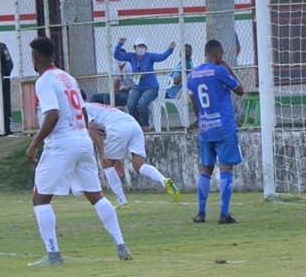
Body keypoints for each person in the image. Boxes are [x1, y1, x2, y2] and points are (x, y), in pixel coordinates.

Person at [25, 37, 131, 266]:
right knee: (96, 196)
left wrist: (34, 144)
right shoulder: (69, 78)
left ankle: (53, 255)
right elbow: (82, 114)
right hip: (82, 140)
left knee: (40, 198)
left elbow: (51, 115)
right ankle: (121, 244)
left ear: (35, 58)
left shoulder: (43, 81)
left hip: (61, 144)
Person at [187, 39, 244, 224]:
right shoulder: (220, 71)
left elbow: (194, 103)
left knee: (206, 169)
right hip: (224, 127)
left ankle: (201, 213)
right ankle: (224, 214)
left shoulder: (192, 75)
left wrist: (202, 118)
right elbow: (240, 90)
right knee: (226, 167)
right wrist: (229, 68)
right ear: (219, 55)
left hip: (205, 127)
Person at [84, 101, 181, 209]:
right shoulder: (96, 106)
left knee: (107, 164)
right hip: (133, 124)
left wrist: (102, 152)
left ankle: (122, 201)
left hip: (117, 128)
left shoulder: (81, 107)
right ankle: (164, 181)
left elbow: (91, 127)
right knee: (138, 165)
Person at [114, 37, 175, 131]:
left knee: (142, 103)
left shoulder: (150, 56)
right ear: (135, 47)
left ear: (146, 48)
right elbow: (117, 55)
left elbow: (162, 57)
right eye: (139, 46)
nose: (141, 48)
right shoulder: (131, 56)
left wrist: (170, 49)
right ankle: (137, 124)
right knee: (130, 104)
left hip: (151, 87)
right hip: (137, 87)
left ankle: (145, 124)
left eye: (143, 46)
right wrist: (120, 44)